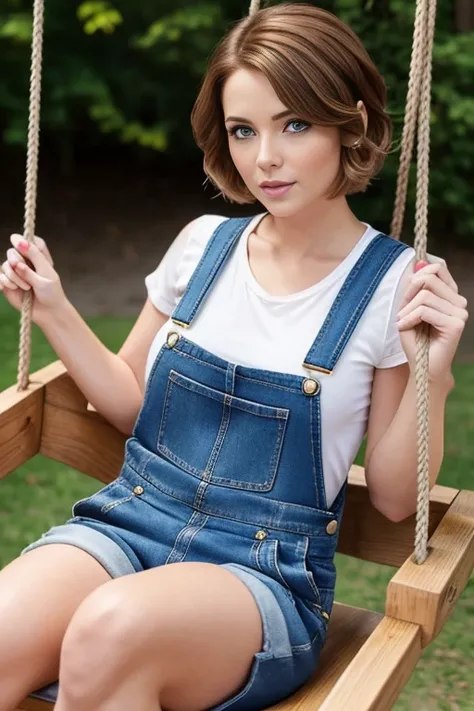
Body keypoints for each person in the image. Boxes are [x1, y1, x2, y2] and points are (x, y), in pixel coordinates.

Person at [0, 4, 468, 711]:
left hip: (261, 578)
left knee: (112, 628)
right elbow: (130, 399)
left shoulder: (394, 286)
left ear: (353, 123)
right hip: (129, 521)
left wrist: (435, 368)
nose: (265, 158)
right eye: (244, 131)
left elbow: (400, 499)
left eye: (295, 124)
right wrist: (56, 307)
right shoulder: (204, 246)